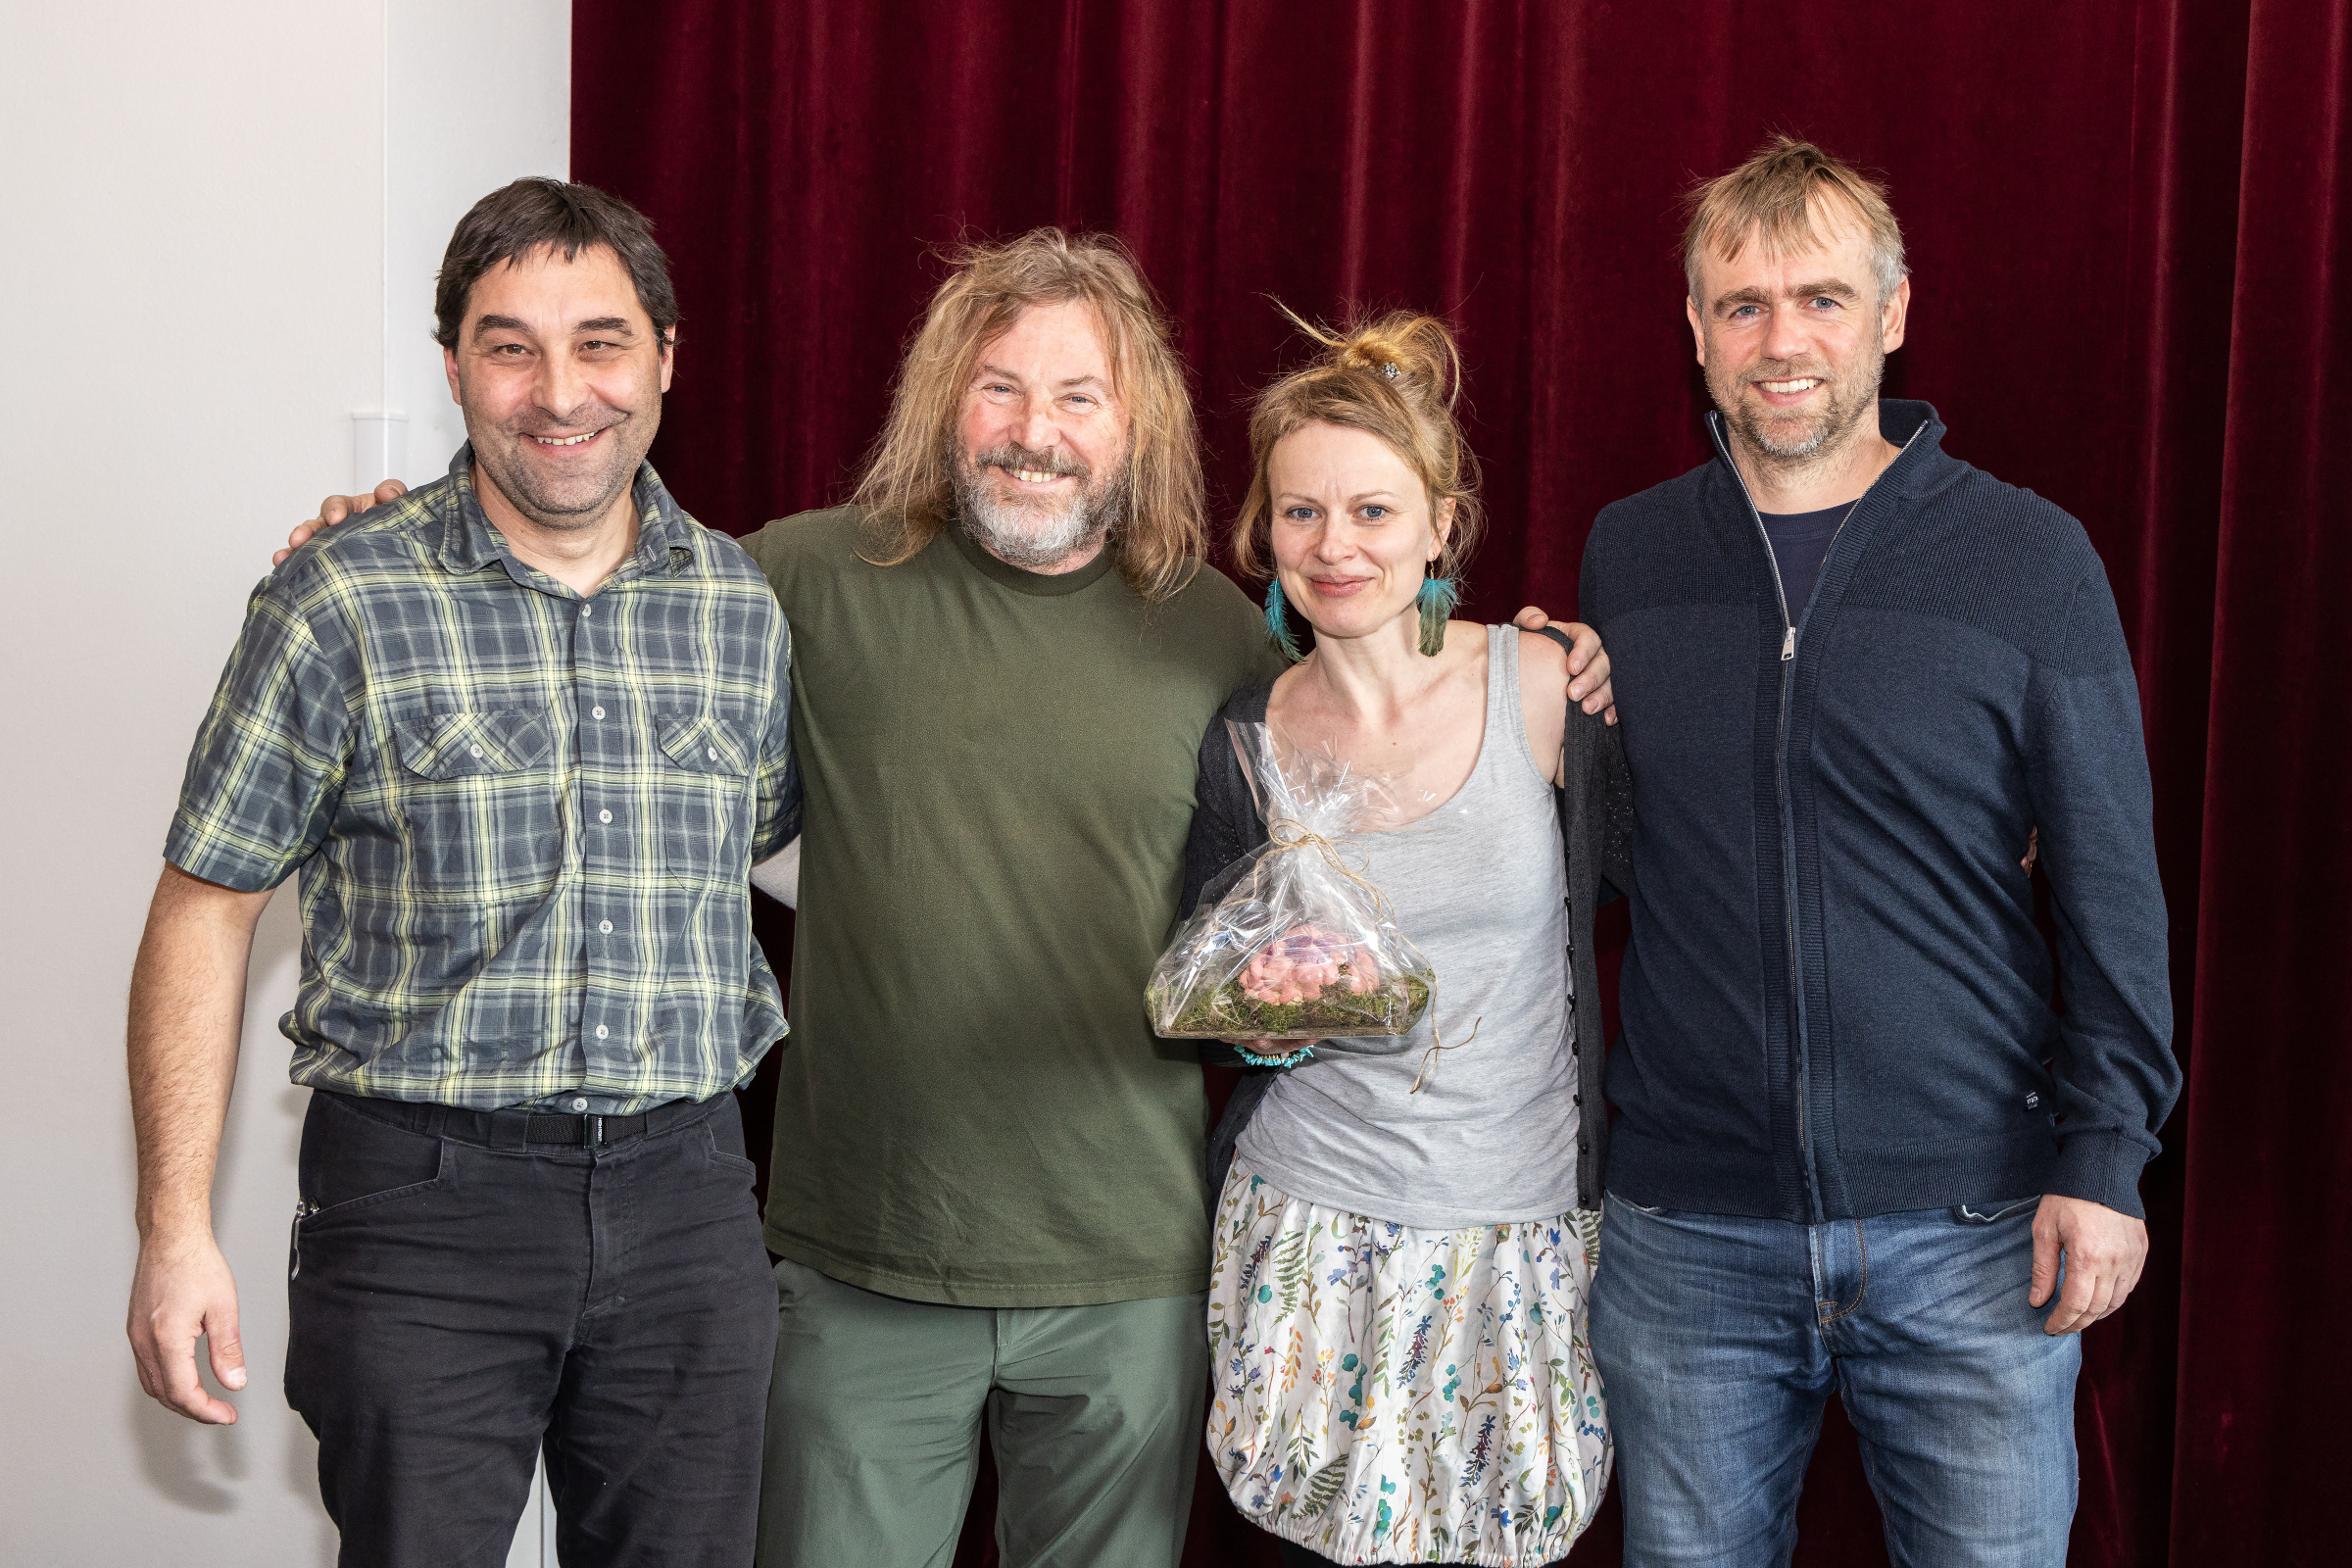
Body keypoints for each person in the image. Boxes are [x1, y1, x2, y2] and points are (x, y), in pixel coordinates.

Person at [295, 228, 1618, 1568]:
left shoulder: (1219, 635)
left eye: (1078, 396)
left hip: (1132, 1269)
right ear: (944, 399)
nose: (1035, 431)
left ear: (1136, 424)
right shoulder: (799, 580)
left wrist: (1551, 659)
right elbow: (585, 565)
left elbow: (1350, 799)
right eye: (1000, 387)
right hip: (864, 1256)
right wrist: (400, 529)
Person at [129, 177, 798, 1567]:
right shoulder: (338, 597)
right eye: (510, 347)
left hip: (688, 1198)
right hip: (423, 1211)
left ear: (666, 358)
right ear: (453, 369)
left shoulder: (741, 606)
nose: (560, 393)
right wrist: (173, 1229)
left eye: (601, 343)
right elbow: (206, 907)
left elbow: (776, 850)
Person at [1565, 137, 2180, 1566]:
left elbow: (2113, 891)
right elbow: (1632, 862)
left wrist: (2106, 1156)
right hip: (1687, 1234)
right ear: (1696, 331)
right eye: (1744, 305)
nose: (1783, 342)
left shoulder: (2029, 559)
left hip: (1972, 1227)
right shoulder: (1630, 554)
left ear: (1893, 314)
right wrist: (1542, 717)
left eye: (1823, 300)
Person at [1180, 312, 1631, 1567]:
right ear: (1264, 531)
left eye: (1373, 511)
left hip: (1512, 1227)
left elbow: (1665, 887)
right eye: (1302, 512)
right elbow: (1204, 995)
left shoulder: (1544, 684)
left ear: (1441, 525)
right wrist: (1271, 1006)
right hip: (1306, 1222)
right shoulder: (1246, 740)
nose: (1336, 547)